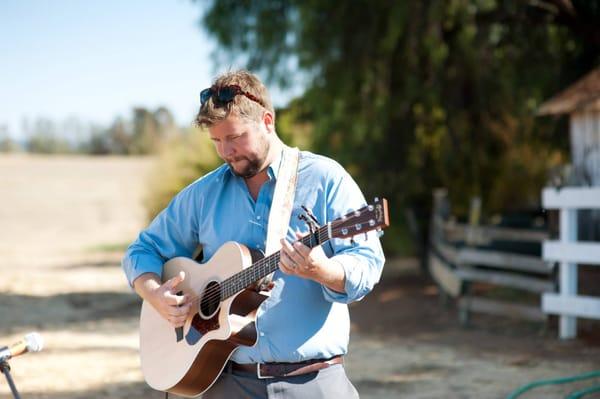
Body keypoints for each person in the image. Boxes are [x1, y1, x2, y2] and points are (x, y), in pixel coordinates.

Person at [122, 70, 385, 398]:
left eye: (234, 137)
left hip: (314, 381)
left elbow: (367, 264)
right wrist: (154, 294)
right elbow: (142, 249)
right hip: (227, 382)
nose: (225, 151)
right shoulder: (204, 194)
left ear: (268, 121)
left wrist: (322, 270)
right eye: (216, 141)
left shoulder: (326, 179)